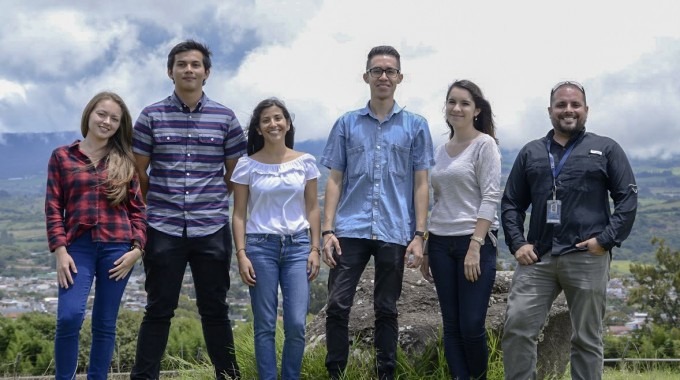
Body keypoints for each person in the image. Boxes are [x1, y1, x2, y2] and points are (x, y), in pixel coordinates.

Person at [501, 81, 638, 380]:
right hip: (538, 257)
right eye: (561, 105)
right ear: (550, 110)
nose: (568, 110)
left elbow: (627, 197)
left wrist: (605, 240)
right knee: (517, 328)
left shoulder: (607, 148)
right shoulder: (531, 152)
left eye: (575, 104)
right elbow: (511, 202)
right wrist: (517, 243)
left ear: (586, 110)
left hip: (587, 256)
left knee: (587, 339)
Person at [130, 40, 246, 380]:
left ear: (206, 73)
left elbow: (233, 175)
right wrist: (159, 206)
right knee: (158, 310)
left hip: (211, 228)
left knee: (216, 310)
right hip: (163, 228)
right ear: (171, 71)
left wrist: (207, 201)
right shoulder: (151, 116)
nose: (189, 70)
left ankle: (228, 375)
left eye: (196, 65)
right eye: (182, 64)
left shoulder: (225, 118)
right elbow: (140, 173)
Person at [320, 45, 435, 380]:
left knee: (386, 308)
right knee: (338, 306)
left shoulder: (416, 125)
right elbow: (335, 180)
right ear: (366, 76)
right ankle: (335, 373)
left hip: (395, 229)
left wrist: (419, 235)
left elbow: (421, 184)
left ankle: (386, 373)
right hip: (350, 228)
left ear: (400, 78)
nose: (383, 76)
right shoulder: (346, 123)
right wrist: (327, 231)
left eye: (390, 71)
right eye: (377, 71)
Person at [45, 91, 146, 380]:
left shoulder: (125, 160)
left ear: (120, 125)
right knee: (68, 318)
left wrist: (137, 249)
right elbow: (53, 208)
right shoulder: (62, 157)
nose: (107, 121)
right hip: (78, 248)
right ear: (89, 114)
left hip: (118, 250)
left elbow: (138, 210)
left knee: (104, 322)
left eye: (114, 118)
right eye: (102, 114)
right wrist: (60, 252)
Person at [231, 97, 321, 380]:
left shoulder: (305, 162)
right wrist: (241, 253)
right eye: (266, 120)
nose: (273, 124)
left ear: (288, 123)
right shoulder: (247, 165)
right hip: (259, 248)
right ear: (258, 128)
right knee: (265, 324)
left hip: (297, 246)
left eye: (278, 118)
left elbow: (312, 208)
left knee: (296, 323)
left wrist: (315, 247)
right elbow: (239, 214)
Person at [420, 80, 501, 380]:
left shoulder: (485, 145)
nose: (457, 108)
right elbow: (437, 200)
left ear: (477, 109)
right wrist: (427, 245)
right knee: (451, 325)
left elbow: (491, 196)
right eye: (452, 102)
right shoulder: (440, 150)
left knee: (471, 325)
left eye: (465, 103)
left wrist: (475, 246)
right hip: (440, 243)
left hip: (473, 243)